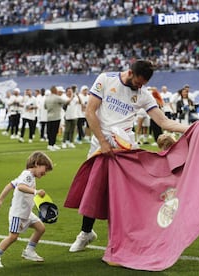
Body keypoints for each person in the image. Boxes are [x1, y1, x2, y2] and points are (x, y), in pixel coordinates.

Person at [67, 59, 189, 252]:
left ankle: (128, 239)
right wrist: (103, 141)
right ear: (130, 72)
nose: (140, 87)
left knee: (125, 195)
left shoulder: (143, 94)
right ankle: (86, 233)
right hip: (101, 146)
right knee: (95, 189)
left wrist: (191, 128)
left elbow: (164, 122)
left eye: (143, 85)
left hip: (125, 150)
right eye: (139, 82)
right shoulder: (105, 80)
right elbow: (90, 112)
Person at [0, 151, 54, 269]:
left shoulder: (27, 175)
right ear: (37, 164)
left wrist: (0, 199)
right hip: (18, 214)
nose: (45, 173)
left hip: (26, 213)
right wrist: (35, 192)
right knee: (13, 237)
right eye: (45, 169)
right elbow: (20, 187)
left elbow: (10, 185)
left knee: (40, 228)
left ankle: (29, 251)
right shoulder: (27, 175)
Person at [44, 85, 70, 151]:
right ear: (55, 91)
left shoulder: (47, 98)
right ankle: (52, 144)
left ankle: (50, 144)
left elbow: (45, 107)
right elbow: (66, 102)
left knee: (49, 131)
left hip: (49, 116)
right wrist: (71, 97)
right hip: (56, 116)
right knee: (54, 131)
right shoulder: (57, 97)